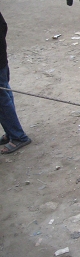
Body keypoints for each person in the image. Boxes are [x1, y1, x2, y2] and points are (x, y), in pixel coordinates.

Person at [0, 11, 32, 154]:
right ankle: (11, 131)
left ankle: (18, 136)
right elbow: (3, 26)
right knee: (5, 93)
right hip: (1, 58)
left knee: (2, 100)